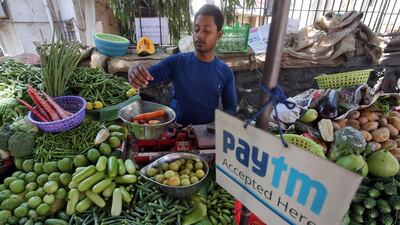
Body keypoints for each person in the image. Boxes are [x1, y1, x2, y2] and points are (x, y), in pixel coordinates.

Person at [128, 4, 237, 126]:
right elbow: (147, 77)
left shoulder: (225, 71)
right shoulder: (177, 61)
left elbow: (231, 107)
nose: (199, 35)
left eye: (206, 30)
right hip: (176, 130)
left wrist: (219, 124)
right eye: (196, 30)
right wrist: (134, 70)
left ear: (219, 35)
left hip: (206, 133)